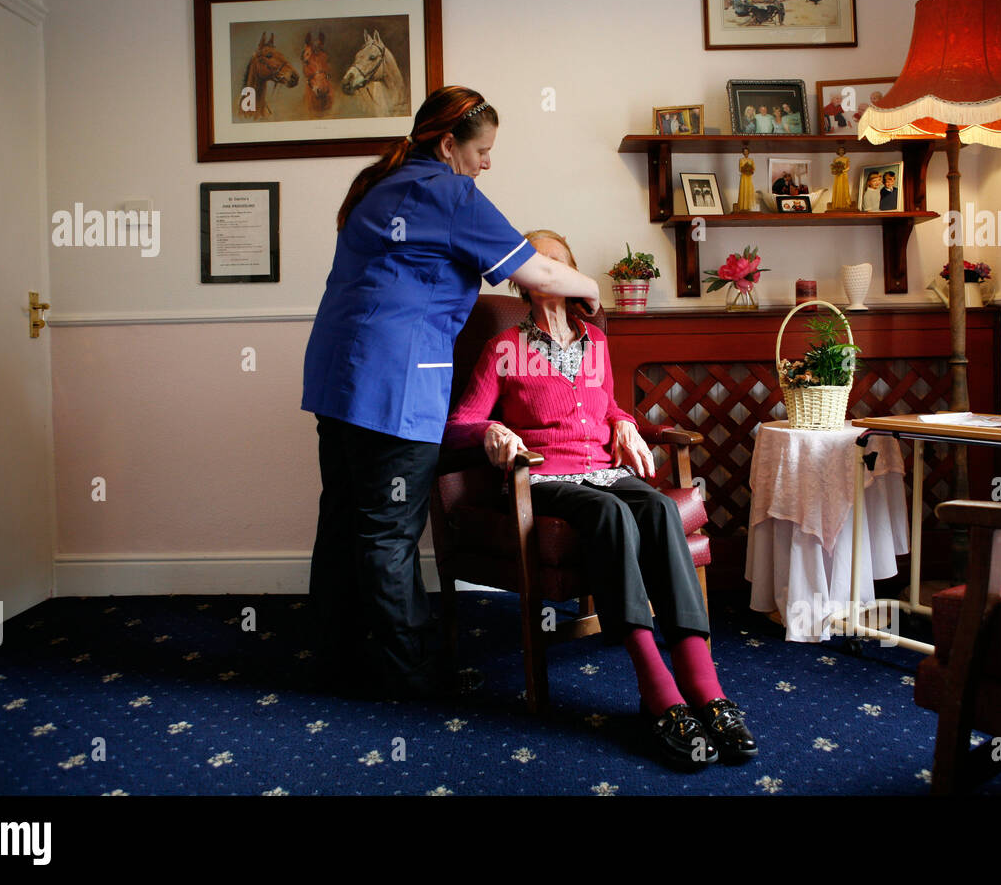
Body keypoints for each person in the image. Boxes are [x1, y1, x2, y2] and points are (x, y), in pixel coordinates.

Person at [302, 86, 602, 701]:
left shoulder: (376, 185)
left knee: (342, 523)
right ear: (447, 145)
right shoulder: (450, 192)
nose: (488, 162)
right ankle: (408, 678)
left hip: (338, 377)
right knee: (388, 534)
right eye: (483, 150)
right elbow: (538, 271)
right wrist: (590, 282)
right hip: (393, 385)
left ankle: (334, 660)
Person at [442, 230, 758, 770]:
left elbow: (607, 404)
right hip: (542, 477)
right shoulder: (505, 347)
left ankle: (706, 686)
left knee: (658, 507)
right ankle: (656, 688)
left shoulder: (596, 341)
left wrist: (625, 423)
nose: (543, 269)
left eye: (555, 260)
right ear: (522, 277)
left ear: (570, 274)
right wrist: (492, 431)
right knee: (610, 515)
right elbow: (460, 423)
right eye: (533, 261)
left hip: (602, 470)